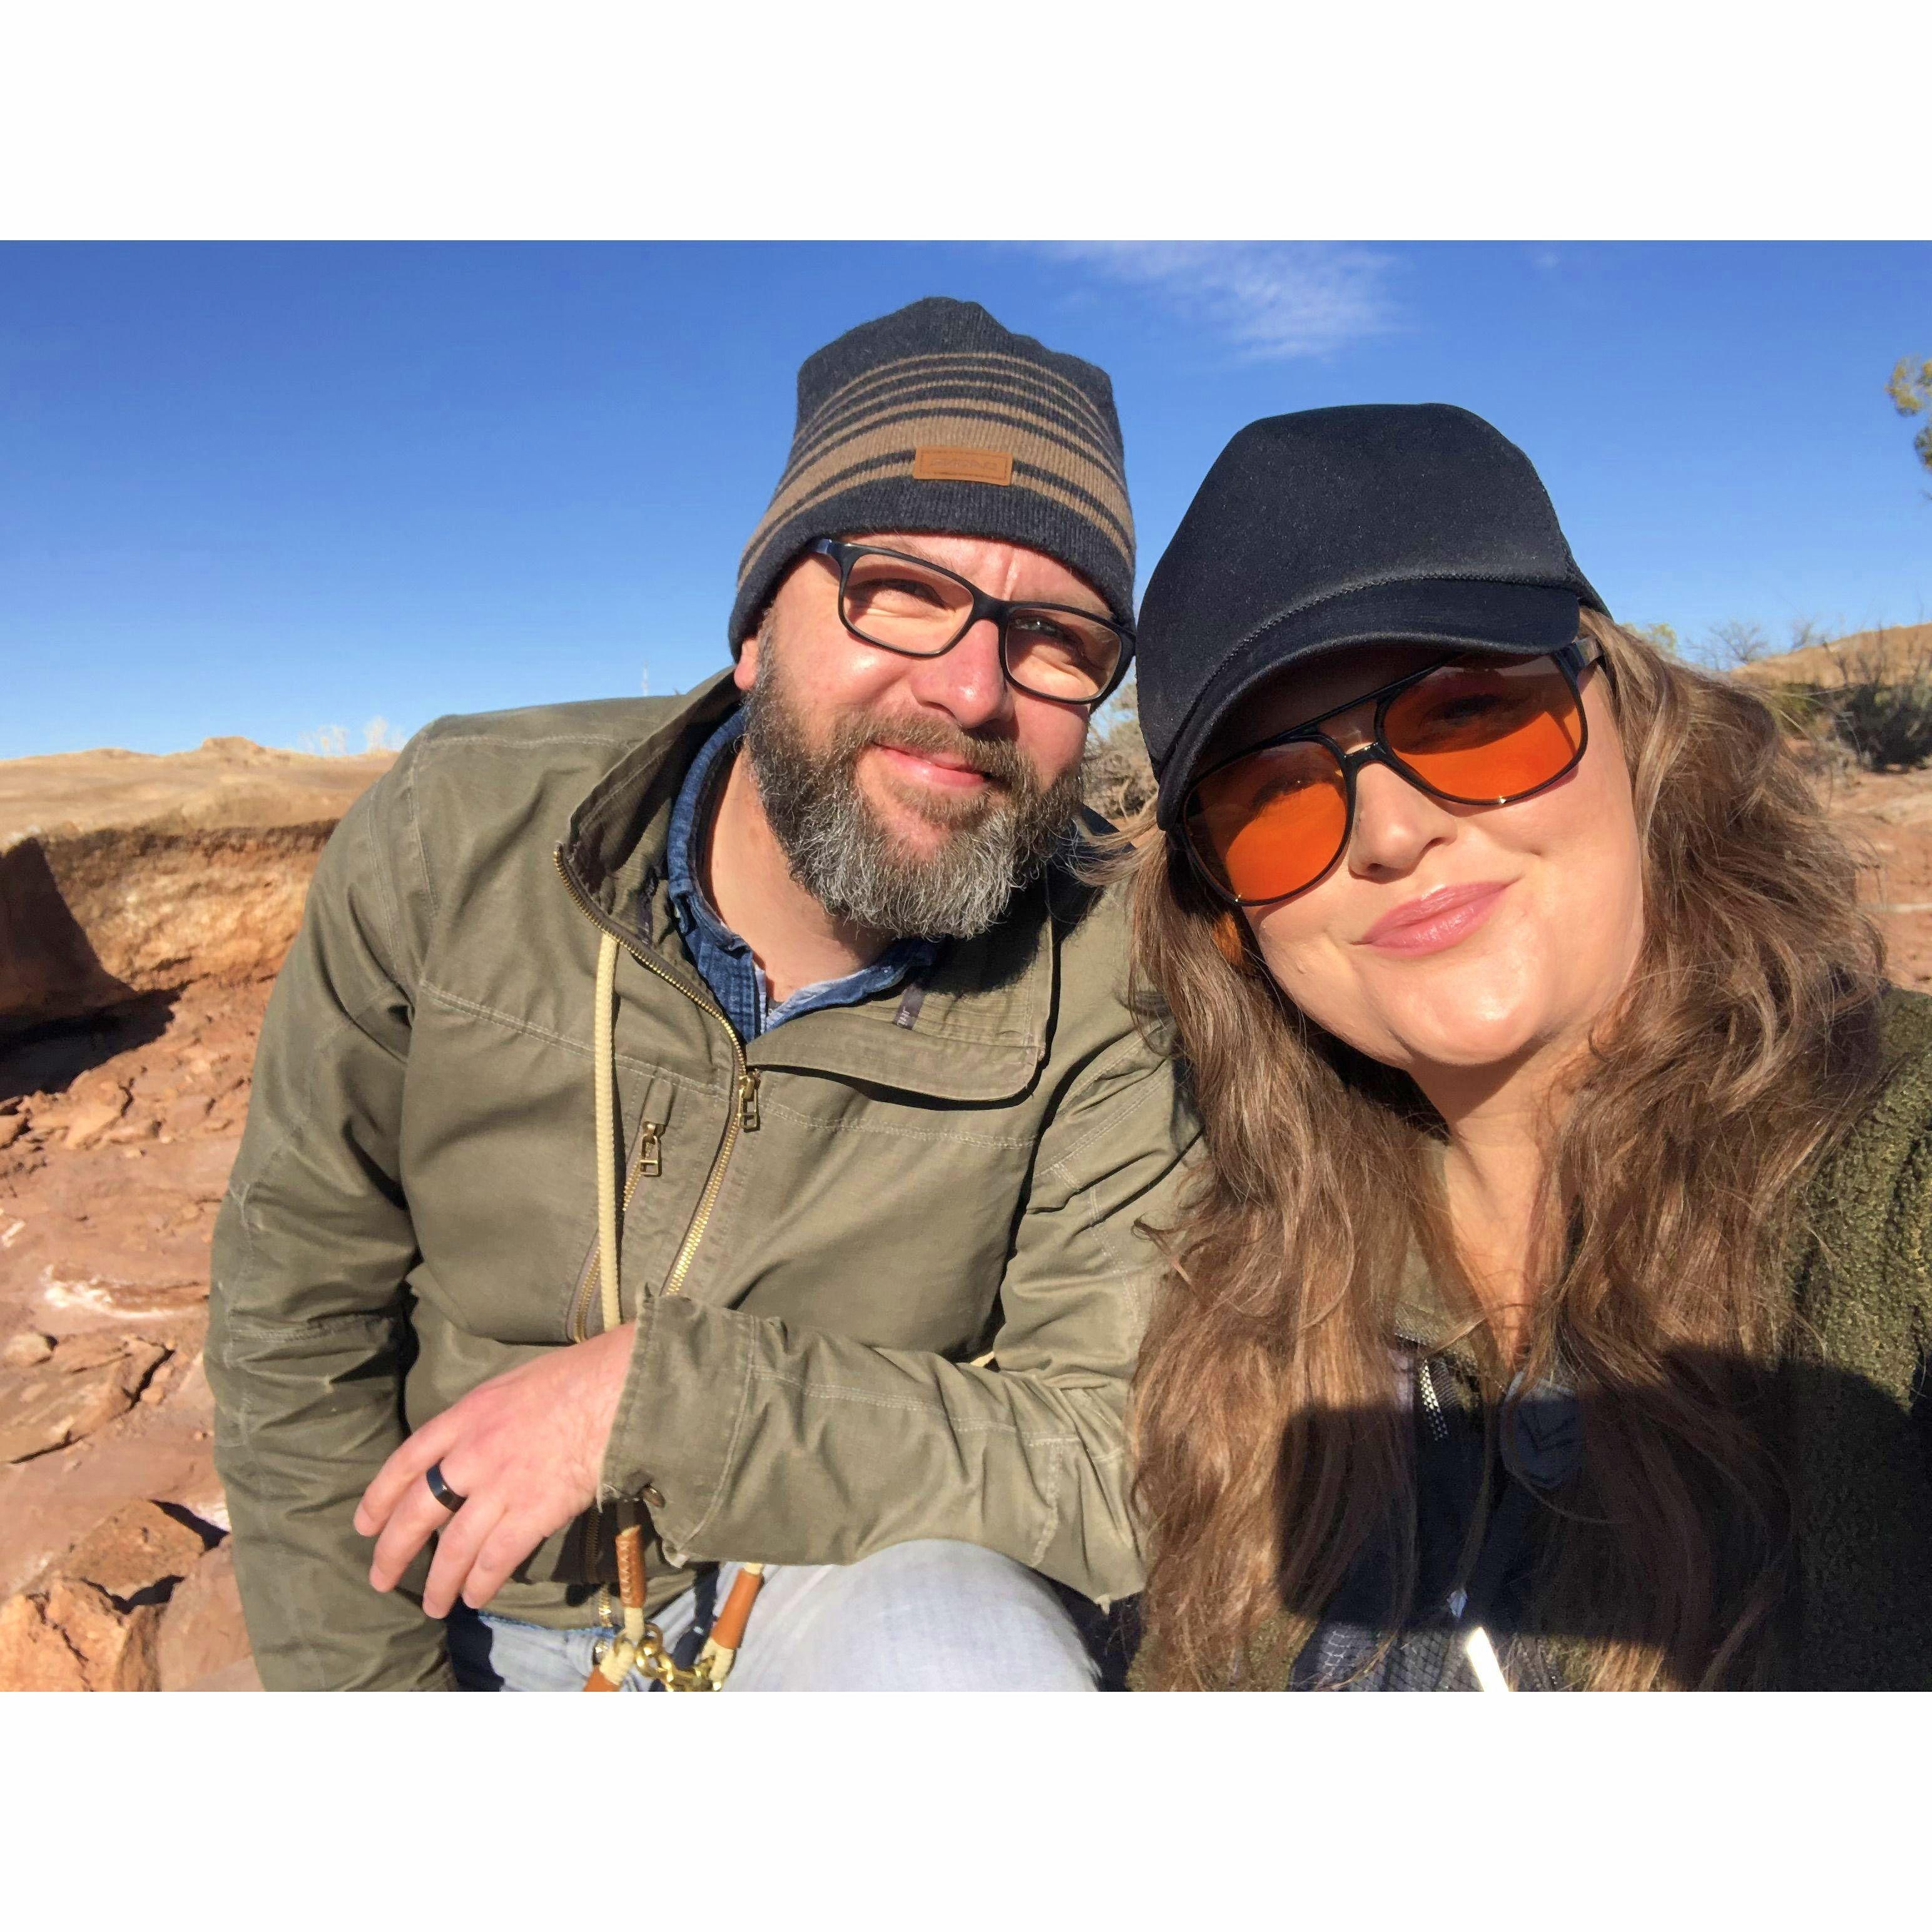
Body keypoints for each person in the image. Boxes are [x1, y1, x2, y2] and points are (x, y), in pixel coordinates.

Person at [207, 296, 1196, 1692]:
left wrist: (672, 1402)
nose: (973, 686)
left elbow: (1110, 1456)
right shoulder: (456, 838)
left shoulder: (1108, 972)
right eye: (900, 588)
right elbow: (294, 1298)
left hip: (846, 1568)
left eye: (1055, 637)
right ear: (753, 629)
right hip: (447, 1597)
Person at [1116, 403, 1932, 1691]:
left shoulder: (1888, 1176)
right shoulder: (1246, 1315)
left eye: (1469, 715)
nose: (1388, 828)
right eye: (1271, 798)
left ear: (1633, 728)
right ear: (1227, 920)